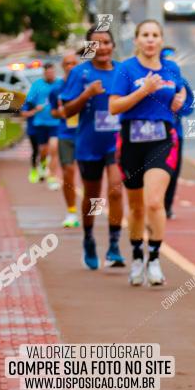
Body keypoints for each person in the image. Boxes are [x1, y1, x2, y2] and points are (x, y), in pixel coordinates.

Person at [109, 20, 186, 287]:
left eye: (155, 35)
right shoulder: (126, 69)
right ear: (137, 41)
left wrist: (180, 100)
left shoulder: (171, 68)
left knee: (154, 201)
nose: (150, 40)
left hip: (163, 140)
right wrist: (144, 90)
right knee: (137, 207)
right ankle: (137, 256)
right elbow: (114, 107)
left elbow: (181, 90)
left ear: (161, 41)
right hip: (131, 140)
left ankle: (154, 258)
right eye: (145, 35)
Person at [61, 28, 125, 270]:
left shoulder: (122, 71)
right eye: (96, 43)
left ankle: (115, 245)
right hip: (89, 144)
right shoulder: (80, 73)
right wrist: (87, 93)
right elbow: (67, 111)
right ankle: (88, 239)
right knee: (93, 196)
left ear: (113, 45)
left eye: (107, 42)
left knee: (116, 190)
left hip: (115, 144)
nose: (103, 47)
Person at [161, 46, 195, 220]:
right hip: (155, 134)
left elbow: (189, 107)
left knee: (173, 171)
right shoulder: (153, 79)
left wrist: (177, 106)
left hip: (176, 134)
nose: (170, 63)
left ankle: (166, 206)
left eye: (173, 59)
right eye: (166, 59)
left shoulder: (181, 82)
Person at [49, 51, 80, 228]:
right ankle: (71, 212)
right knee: (68, 171)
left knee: (90, 176)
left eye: (73, 63)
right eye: (67, 63)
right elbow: (53, 111)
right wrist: (59, 113)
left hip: (85, 134)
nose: (70, 66)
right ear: (63, 67)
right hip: (65, 134)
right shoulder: (57, 89)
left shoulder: (86, 85)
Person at [22, 62, 60, 188]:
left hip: (55, 122)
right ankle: (42, 164)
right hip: (40, 123)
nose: (50, 74)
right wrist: (31, 110)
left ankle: (52, 177)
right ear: (44, 73)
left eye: (52, 72)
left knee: (54, 148)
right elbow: (29, 102)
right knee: (43, 150)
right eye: (48, 72)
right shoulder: (37, 85)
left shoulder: (60, 84)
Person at [21, 96, 40, 183]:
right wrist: (36, 110)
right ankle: (33, 170)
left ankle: (43, 169)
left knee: (46, 149)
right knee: (35, 150)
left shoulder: (46, 99)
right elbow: (23, 114)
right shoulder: (29, 102)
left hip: (45, 128)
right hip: (33, 130)